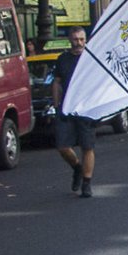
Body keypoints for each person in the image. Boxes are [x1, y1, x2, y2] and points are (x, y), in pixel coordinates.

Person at [52, 27, 97, 198]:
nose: (78, 43)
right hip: (67, 108)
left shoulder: (92, 59)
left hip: (87, 108)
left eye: (81, 39)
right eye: (75, 39)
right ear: (70, 40)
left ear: (86, 40)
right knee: (62, 146)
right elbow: (57, 82)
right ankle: (77, 167)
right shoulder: (63, 59)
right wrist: (56, 105)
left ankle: (86, 182)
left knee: (87, 146)